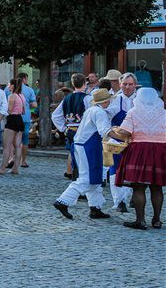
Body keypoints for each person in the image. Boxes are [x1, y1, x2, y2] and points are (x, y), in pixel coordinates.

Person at [109, 86, 166, 229]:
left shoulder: (133, 112)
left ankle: (140, 221)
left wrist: (111, 131)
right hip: (160, 150)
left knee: (138, 187)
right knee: (157, 187)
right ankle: (157, 220)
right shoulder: (164, 113)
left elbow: (125, 132)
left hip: (139, 150)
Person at [53, 88, 113, 220]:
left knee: (94, 176)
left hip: (81, 144)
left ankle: (95, 207)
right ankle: (63, 201)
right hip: (89, 147)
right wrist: (118, 136)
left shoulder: (91, 110)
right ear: (106, 101)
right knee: (86, 178)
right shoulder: (100, 112)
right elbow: (104, 131)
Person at [105, 73, 137, 212]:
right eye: (125, 84)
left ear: (135, 85)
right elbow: (105, 117)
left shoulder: (141, 100)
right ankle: (119, 201)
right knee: (115, 170)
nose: (128, 87)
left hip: (136, 141)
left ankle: (130, 196)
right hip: (117, 141)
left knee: (133, 170)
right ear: (120, 84)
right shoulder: (114, 100)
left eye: (130, 84)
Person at [53, 74, 89, 180]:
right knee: (82, 155)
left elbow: (55, 115)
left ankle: (73, 174)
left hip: (70, 129)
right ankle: (79, 177)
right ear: (84, 84)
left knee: (73, 152)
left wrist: (63, 128)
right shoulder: (87, 98)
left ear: (73, 84)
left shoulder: (67, 98)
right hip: (83, 130)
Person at [0, 79, 26, 176]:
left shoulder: (11, 96)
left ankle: (2, 168)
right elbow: (23, 111)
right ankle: (15, 168)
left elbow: (9, 110)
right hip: (19, 119)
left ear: (13, 86)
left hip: (12, 120)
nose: (8, 86)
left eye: (9, 84)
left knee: (7, 146)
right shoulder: (21, 96)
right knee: (18, 145)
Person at [16, 71, 36, 168]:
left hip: (14, 117)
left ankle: (13, 160)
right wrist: (30, 105)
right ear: (24, 79)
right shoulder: (29, 90)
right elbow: (34, 104)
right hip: (26, 117)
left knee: (14, 140)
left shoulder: (9, 89)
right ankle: (23, 161)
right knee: (24, 140)